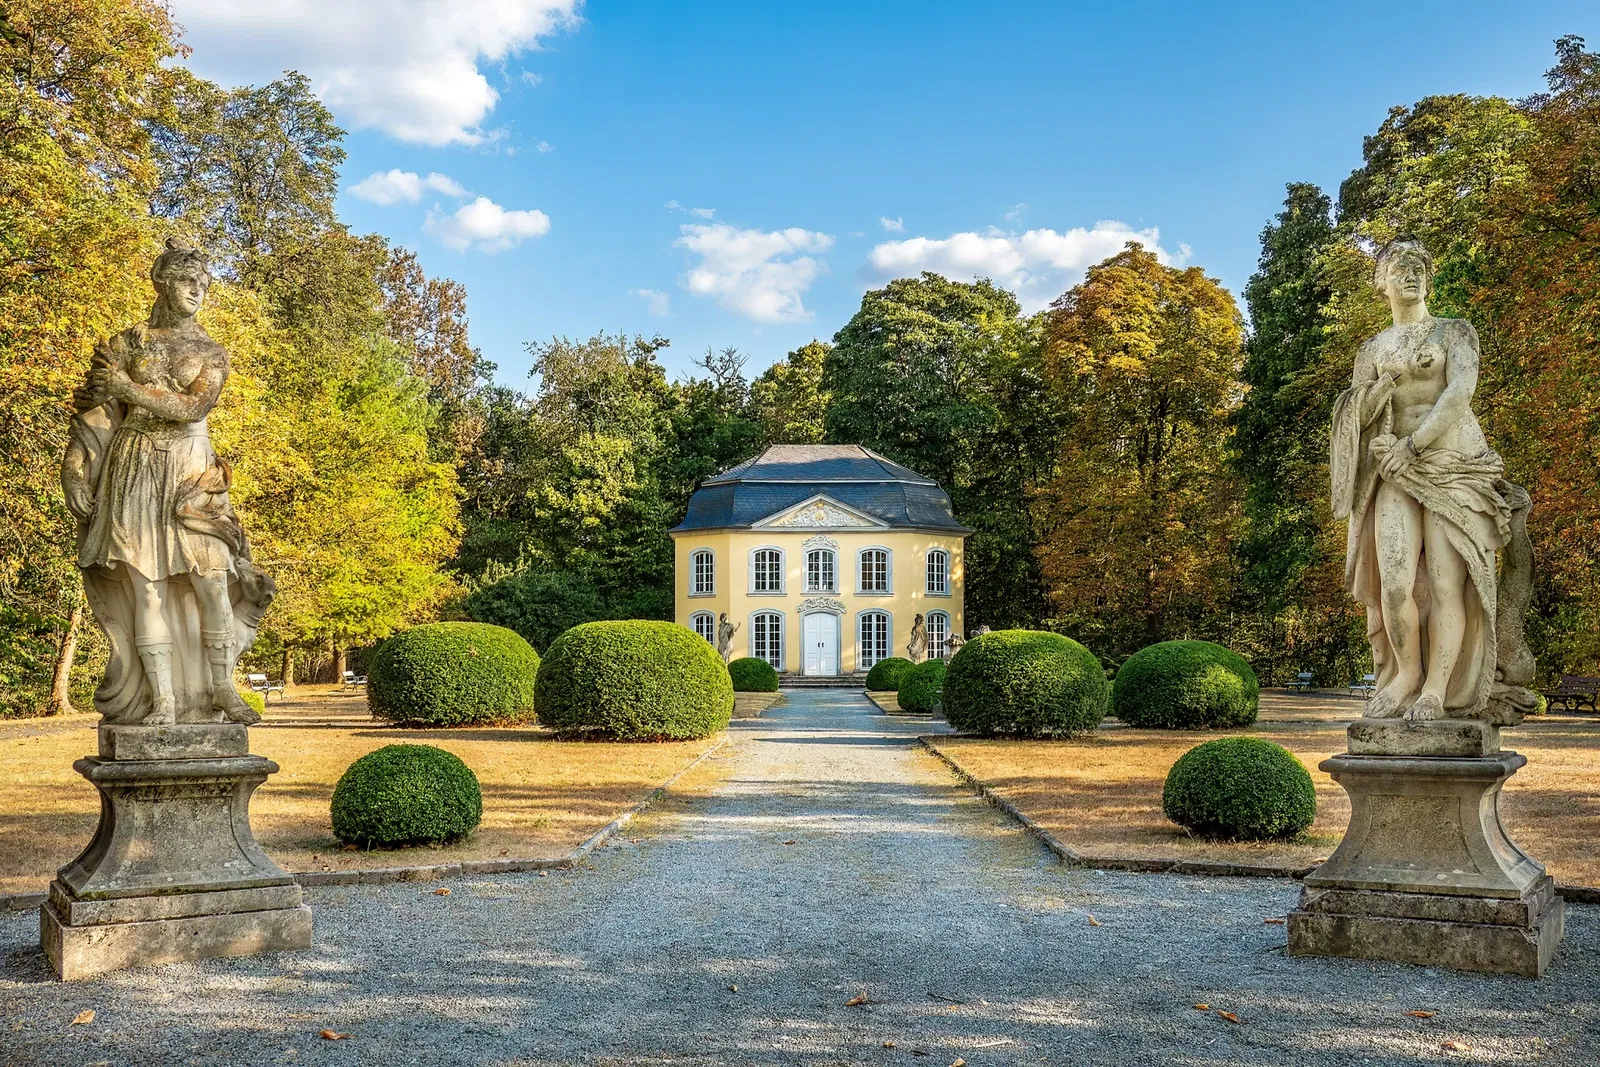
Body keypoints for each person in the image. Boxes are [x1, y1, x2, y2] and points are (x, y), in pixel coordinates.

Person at [64, 239, 270, 725]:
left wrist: (128, 387)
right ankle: (163, 701)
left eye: (204, 284)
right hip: (134, 466)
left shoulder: (210, 351)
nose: (197, 290)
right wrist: (73, 470)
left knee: (212, 579)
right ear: (162, 282)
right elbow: (95, 414)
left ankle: (222, 688)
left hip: (191, 472)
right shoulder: (126, 343)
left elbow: (194, 407)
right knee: (147, 590)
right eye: (187, 281)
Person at [1330, 239, 1510, 722]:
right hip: (1394, 470)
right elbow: (1354, 418)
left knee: (1448, 584)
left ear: (1428, 280)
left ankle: (1435, 690)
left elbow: (1460, 393)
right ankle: (1407, 674)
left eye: (1418, 269)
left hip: (1451, 465)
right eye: (1399, 268)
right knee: (1393, 583)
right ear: (1381, 283)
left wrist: (1413, 445)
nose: (1410, 275)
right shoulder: (1372, 349)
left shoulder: (1454, 331)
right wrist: (1379, 389)